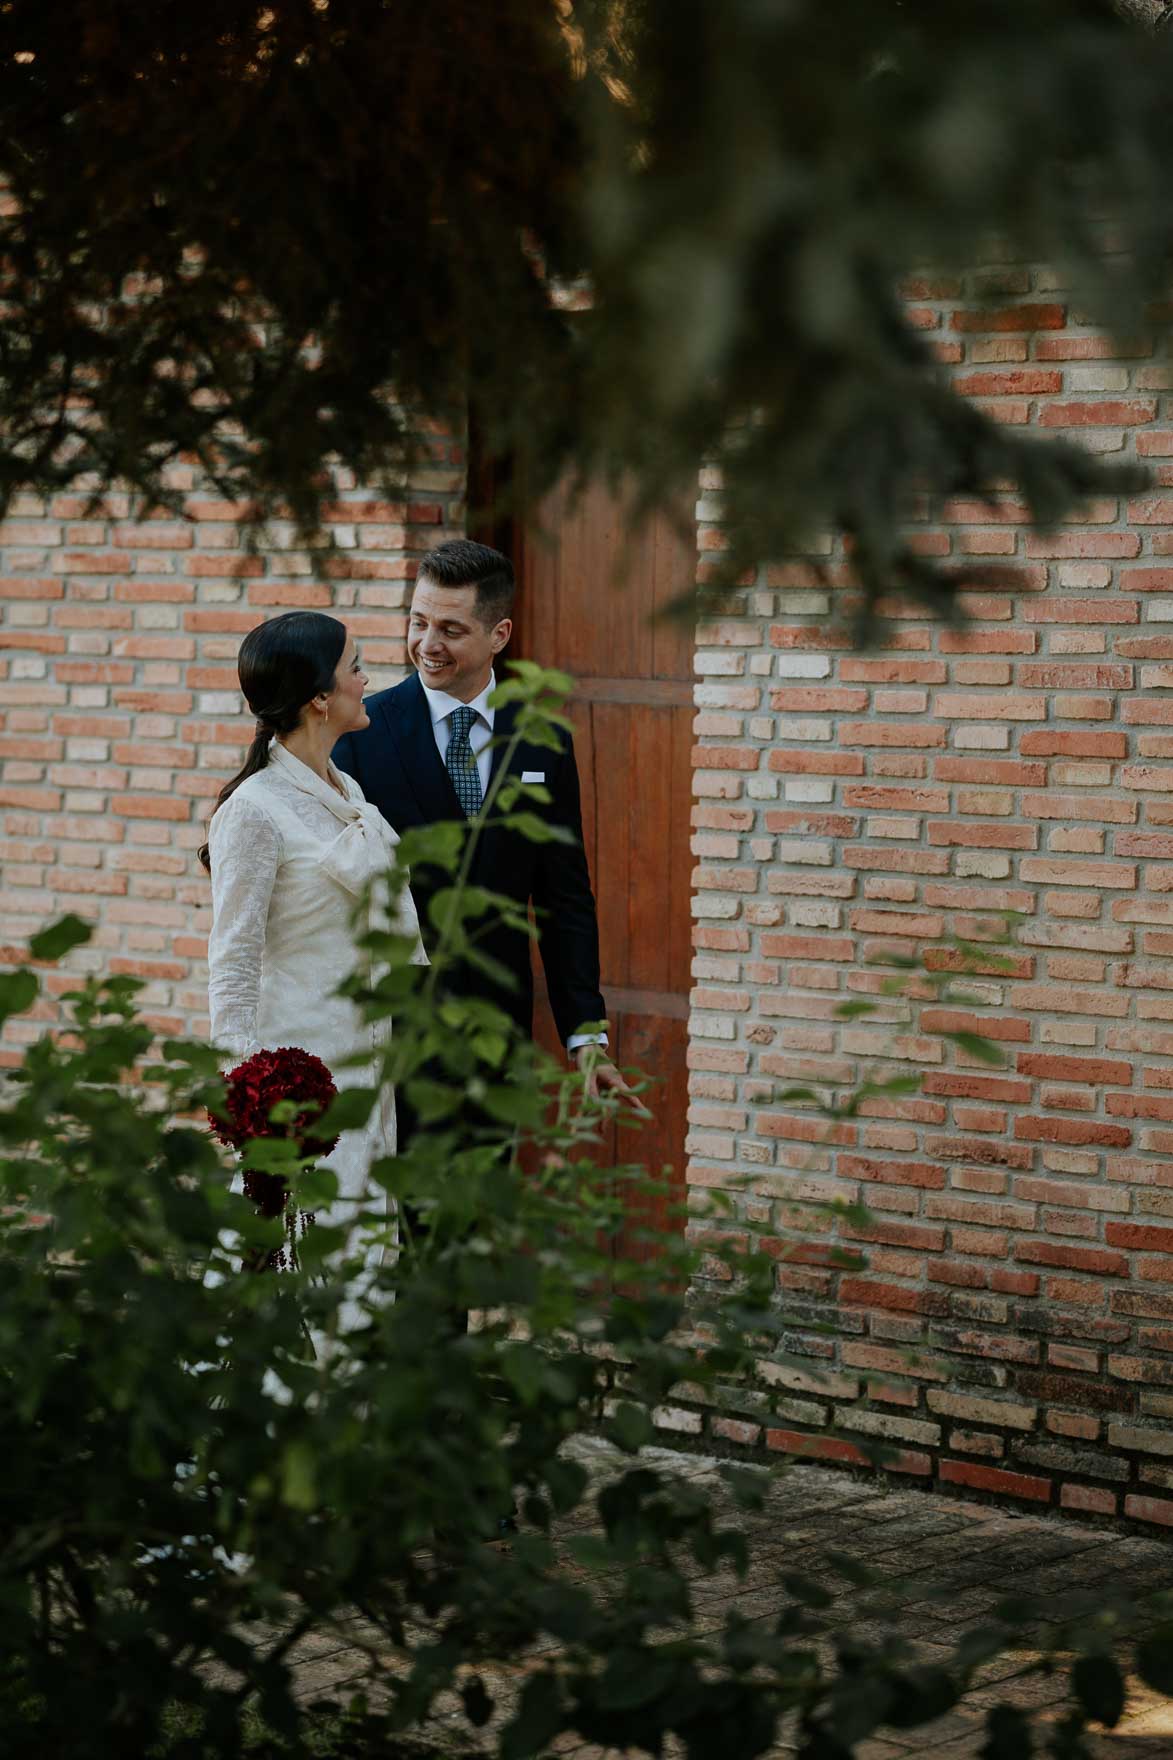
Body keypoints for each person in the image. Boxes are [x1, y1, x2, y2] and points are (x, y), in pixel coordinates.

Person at [331, 538, 638, 1107]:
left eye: (451, 629)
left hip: (498, 1039)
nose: (427, 645)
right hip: (390, 1038)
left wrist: (586, 1036)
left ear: (499, 634)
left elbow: (564, 898)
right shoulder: (361, 733)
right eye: (418, 622)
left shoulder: (542, 738)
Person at [199, 611, 426, 1326]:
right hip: (299, 1082)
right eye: (355, 666)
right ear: (319, 697)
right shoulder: (254, 811)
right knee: (294, 1264)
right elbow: (232, 963)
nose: (368, 679)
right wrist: (249, 1094)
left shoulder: (346, 793)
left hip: (367, 1064)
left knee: (361, 1257)